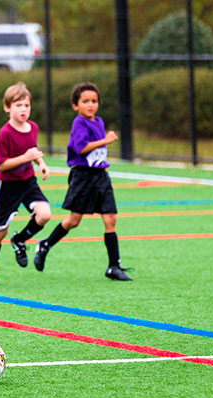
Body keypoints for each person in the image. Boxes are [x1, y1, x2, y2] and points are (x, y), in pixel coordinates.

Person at [33, 82, 132, 281]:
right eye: (85, 101)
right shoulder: (79, 123)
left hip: (100, 177)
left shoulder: (99, 121)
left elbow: (96, 151)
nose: (90, 105)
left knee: (110, 218)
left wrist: (102, 162)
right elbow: (81, 148)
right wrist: (106, 140)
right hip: (82, 178)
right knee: (74, 220)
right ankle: (45, 244)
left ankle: (114, 266)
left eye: (94, 101)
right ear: (75, 106)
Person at [0, 82, 51, 286]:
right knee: (1, 231)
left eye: (26, 105)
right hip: (7, 184)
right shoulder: (5, 133)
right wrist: (26, 157)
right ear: (7, 107)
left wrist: (41, 163)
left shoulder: (33, 127)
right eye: (18, 105)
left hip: (28, 182)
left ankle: (20, 240)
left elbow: (32, 149)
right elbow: (2, 164)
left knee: (45, 214)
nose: (23, 109)